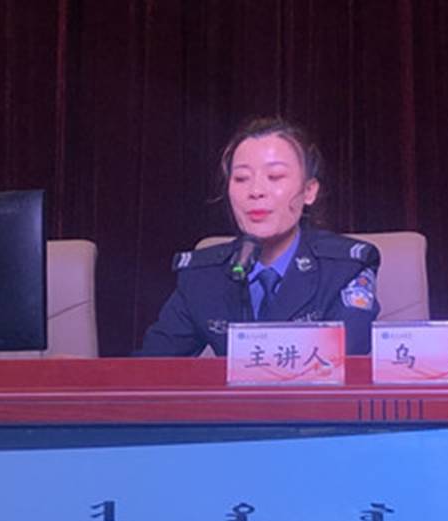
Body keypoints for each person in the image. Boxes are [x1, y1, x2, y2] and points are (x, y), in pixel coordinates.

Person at [135, 117, 380, 356]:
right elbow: (150, 366)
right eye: (241, 178)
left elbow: (343, 357)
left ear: (309, 191)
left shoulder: (346, 268)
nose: (255, 191)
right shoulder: (203, 276)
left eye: (275, 177)